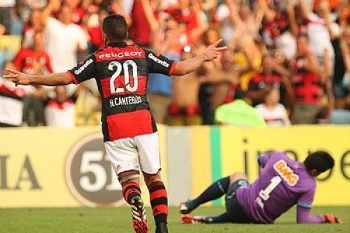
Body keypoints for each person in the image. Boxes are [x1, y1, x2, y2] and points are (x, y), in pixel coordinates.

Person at [4, 14, 226, 233]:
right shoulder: (142, 54)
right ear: (127, 33)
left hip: (115, 124)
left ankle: (135, 198)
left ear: (104, 36)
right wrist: (203, 56)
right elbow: (181, 69)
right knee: (154, 178)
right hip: (143, 122)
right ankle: (162, 227)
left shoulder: (97, 59)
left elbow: (66, 78)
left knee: (129, 179)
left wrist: (30, 78)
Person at [180, 150, 342, 225]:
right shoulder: (309, 186)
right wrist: (324, 218)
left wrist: (270, 169)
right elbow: (303, 220)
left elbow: (260, 159)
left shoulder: (279, 157)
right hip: (259, 220)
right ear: (315, 171)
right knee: (250, 206)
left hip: (238, 204)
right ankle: (210, 220)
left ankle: (192, 204)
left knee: (238, 176)